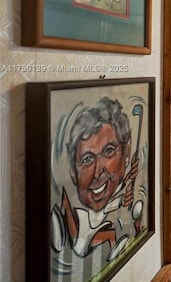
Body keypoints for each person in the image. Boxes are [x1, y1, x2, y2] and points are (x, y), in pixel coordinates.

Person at [53, 97, 139, 261]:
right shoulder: (80, 216)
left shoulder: (122, 199)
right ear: (73, 172)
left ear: (126, 152)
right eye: (87, 159)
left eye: (108, 151)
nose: (98, 172)